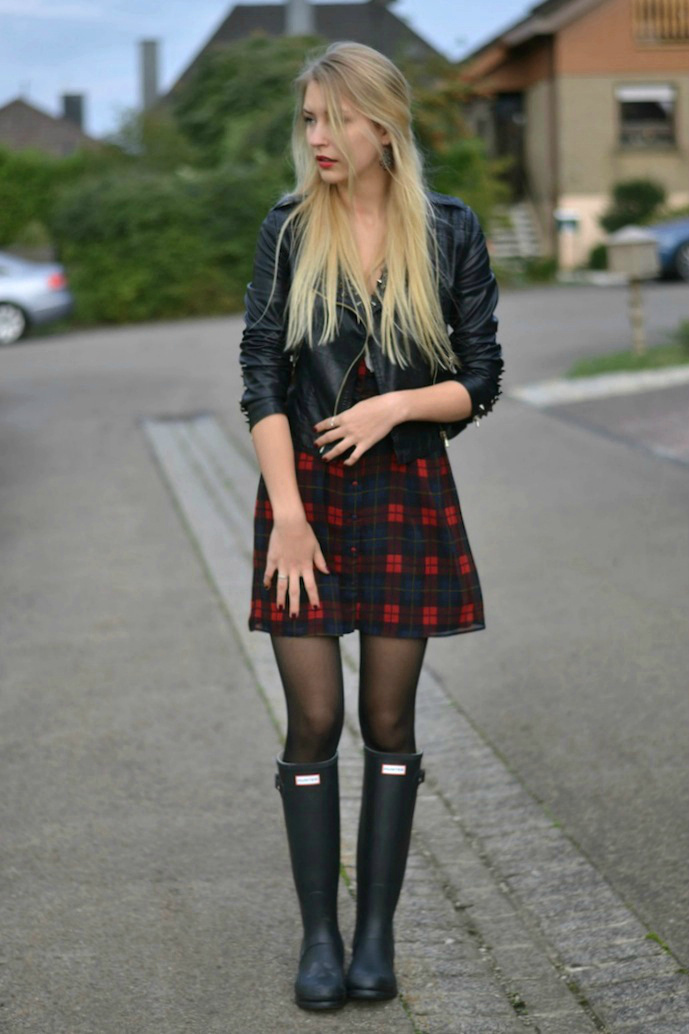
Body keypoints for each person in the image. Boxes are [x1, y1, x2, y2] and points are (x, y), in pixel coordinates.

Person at [238, 40, 503, 1012]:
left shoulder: (448, 230)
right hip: (302, 493)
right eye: (308, 118)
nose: (317, 135)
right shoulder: (286, 227)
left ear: (381, 125)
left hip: (404, 489)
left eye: (334, 117)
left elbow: (480, 379)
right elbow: (260, 375)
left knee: (388, 720)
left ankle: (374, 935)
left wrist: (395, 406)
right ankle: (319, 936)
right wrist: (288, 517)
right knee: (314, 718)